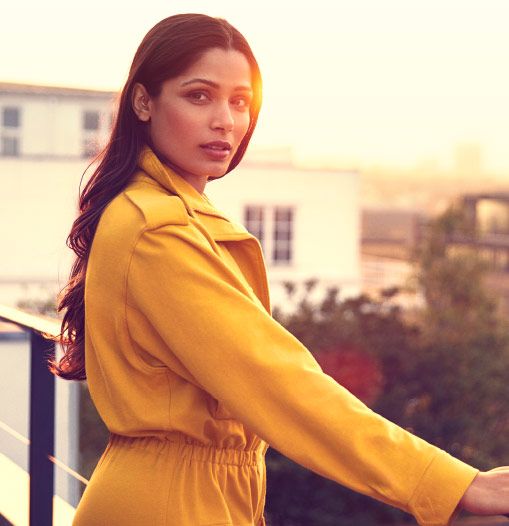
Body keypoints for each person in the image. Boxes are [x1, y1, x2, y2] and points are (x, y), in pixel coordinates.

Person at [50, 13, 509, 526]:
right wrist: (451, 484)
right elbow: (281, 383)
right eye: (199, 96)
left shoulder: (158, 212)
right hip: (170, 506)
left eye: (240, 101)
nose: (225, 119)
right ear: (143, 102)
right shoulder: (157, 230)